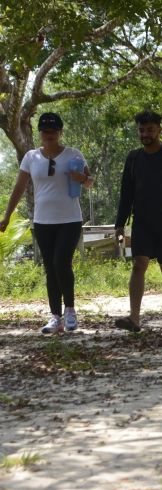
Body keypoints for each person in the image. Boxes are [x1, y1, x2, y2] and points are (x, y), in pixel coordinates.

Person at [0, 112, 93, 333]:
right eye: (45, 131)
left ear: (60, 132)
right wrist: (6, 216)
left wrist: (83, 179)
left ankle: (70, 311)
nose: (49, 135)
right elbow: (19, 188)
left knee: (62, 262)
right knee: (50, 268)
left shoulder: (73, 154)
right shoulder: (31, 157)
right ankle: (55, 318)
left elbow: (89, 182)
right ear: (40, 133)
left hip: (69, 219)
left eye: (53, 131)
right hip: (42, 221)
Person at [113, 111, 162, 333]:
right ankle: (134, 318)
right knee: (139, 264)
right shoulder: (133, 158)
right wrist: (119, 223)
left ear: (159, 130)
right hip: (142, 221)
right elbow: (126, 193)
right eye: (142, 130)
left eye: (150, 130)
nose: (145, 134)